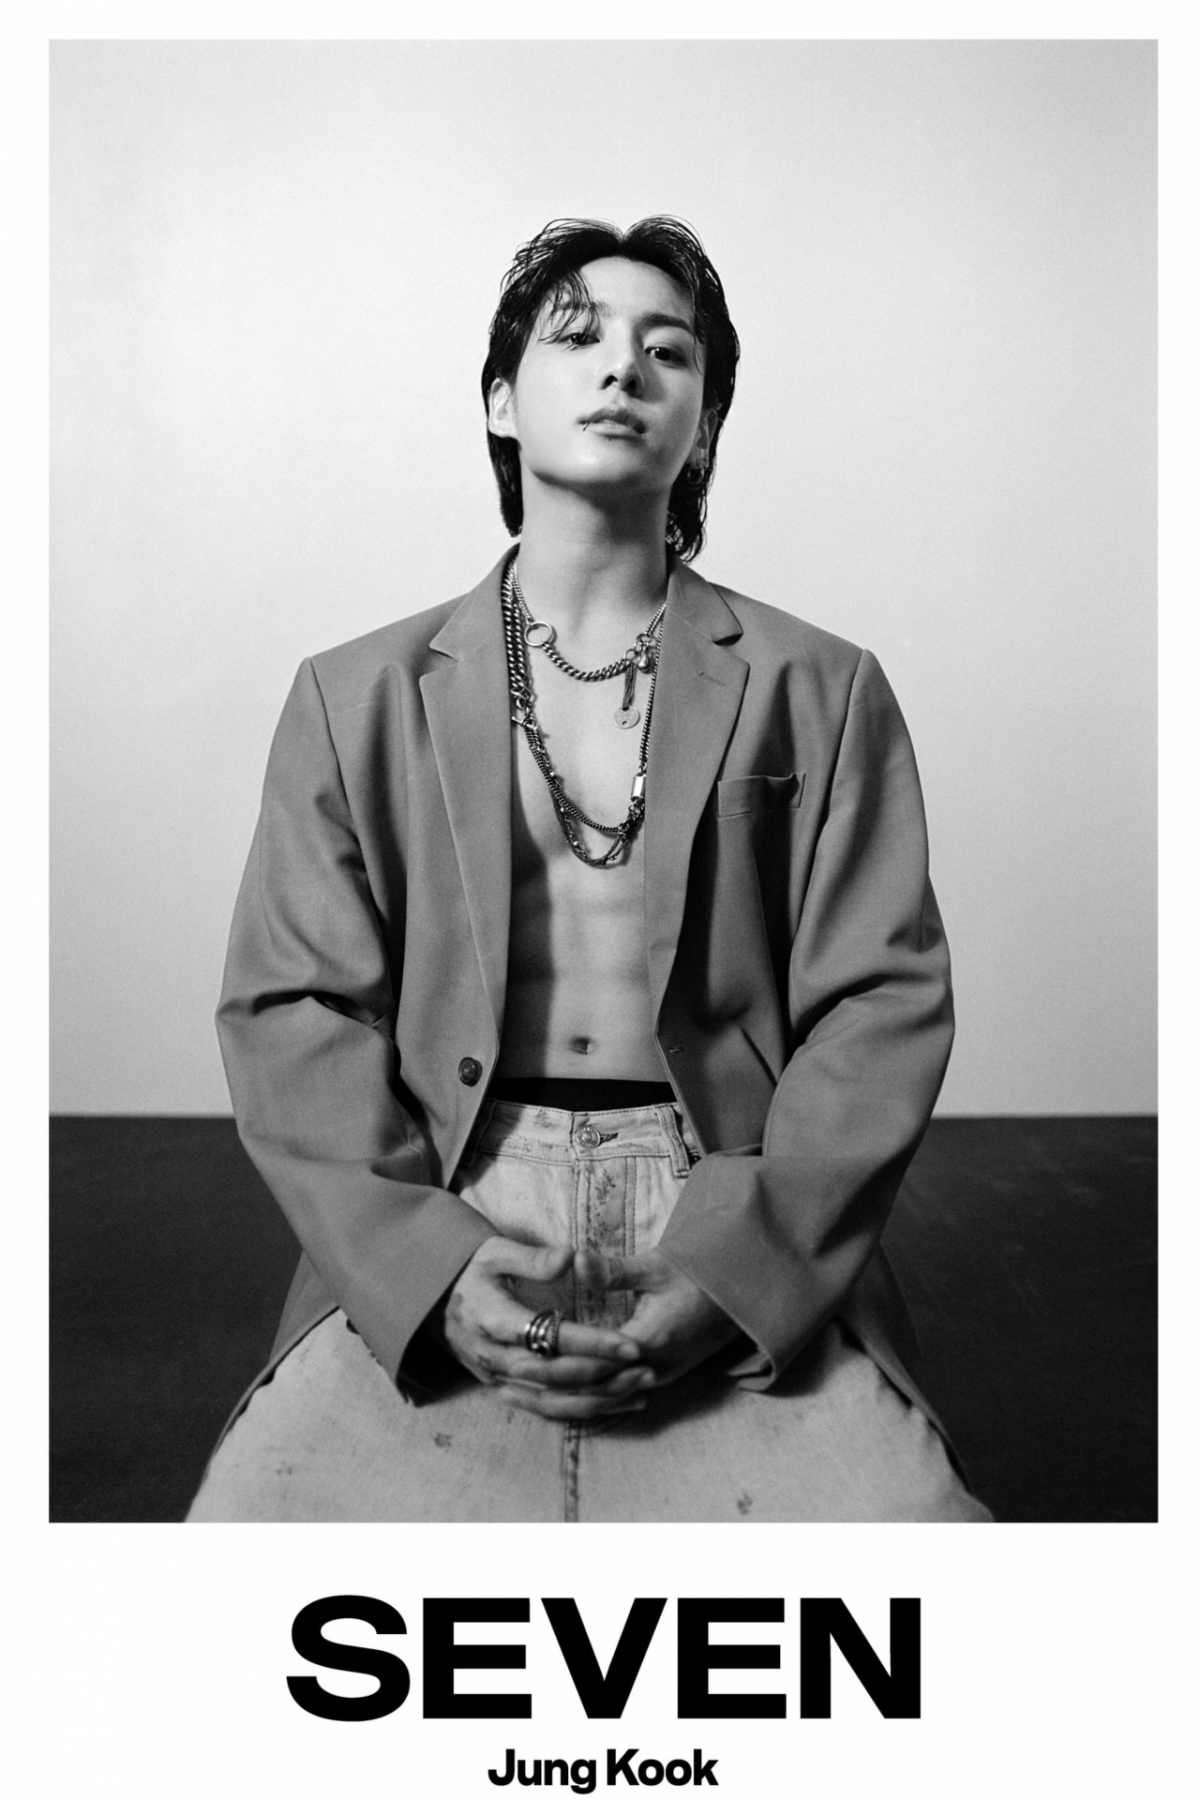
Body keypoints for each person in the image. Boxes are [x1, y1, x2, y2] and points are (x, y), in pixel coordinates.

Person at [187, 217, 991, 1523]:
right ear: (501, 403)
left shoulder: (823, 685)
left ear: (705, 427)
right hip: (444, 1176)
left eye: (667, 351)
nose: (624, 367)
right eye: (578, 337)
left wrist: (739, 1269)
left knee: (930, 1569)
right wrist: (426, 1270)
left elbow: (882, 1002)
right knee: (238, 1570)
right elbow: (292, 1008)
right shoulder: (354, 694)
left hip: (724, 1177)